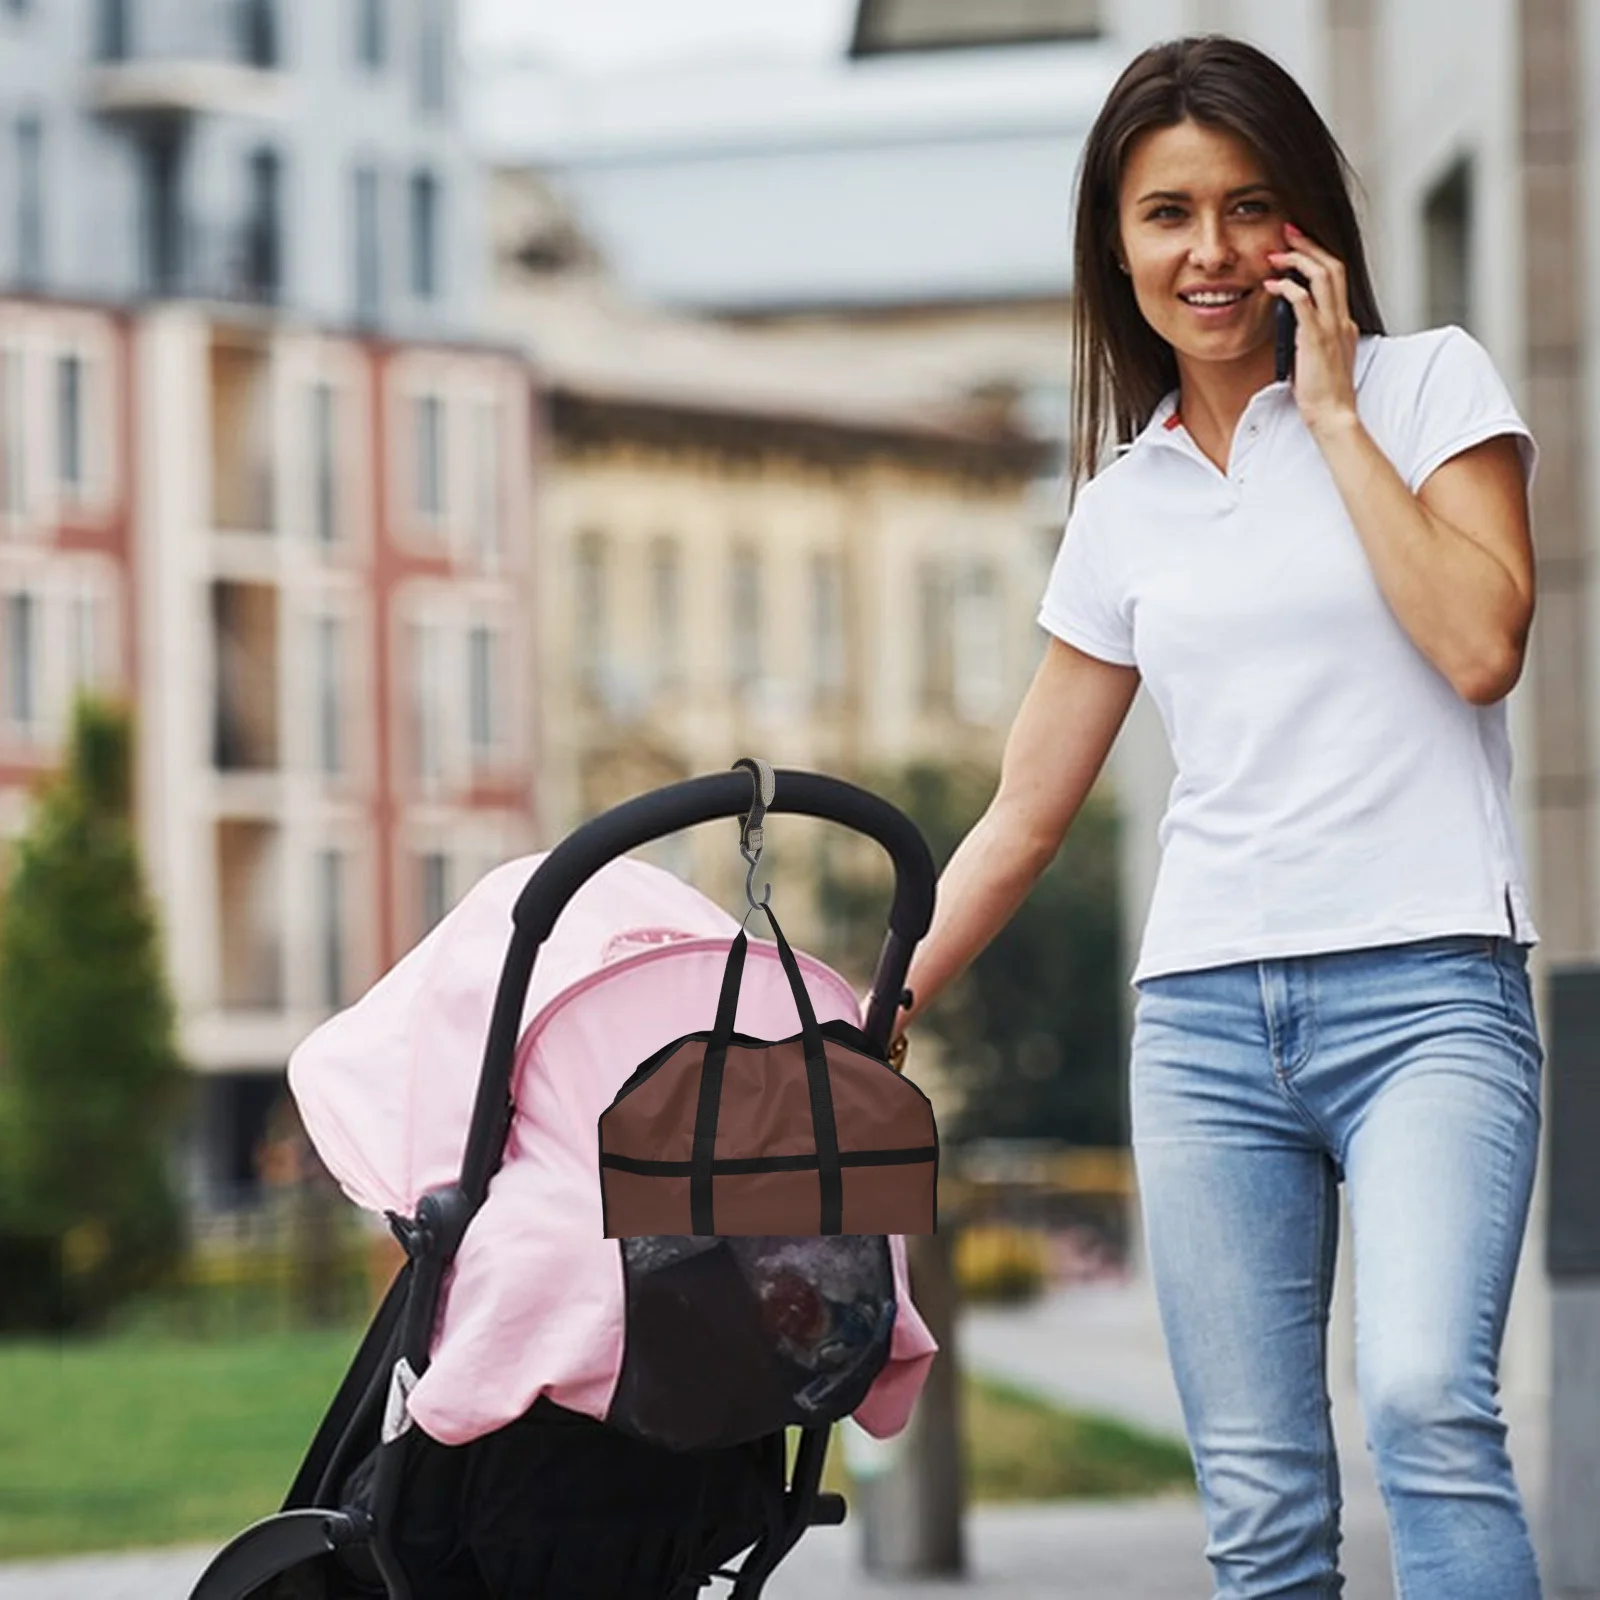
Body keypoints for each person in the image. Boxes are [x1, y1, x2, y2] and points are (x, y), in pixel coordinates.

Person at [893, 34, 1543, 1600]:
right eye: (1168, 214)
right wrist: (874, 1004)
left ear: (1305, 222)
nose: (1213, 251)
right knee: (1259, 1513)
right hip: (1203, 1027)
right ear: (1116, 246)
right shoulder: (1124, 504)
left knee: (1427, 1406)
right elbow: (1023, 813)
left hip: (1429, 995)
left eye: (1250, 206)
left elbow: (1480, 645)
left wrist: (1334, 417)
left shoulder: (1428, 386)